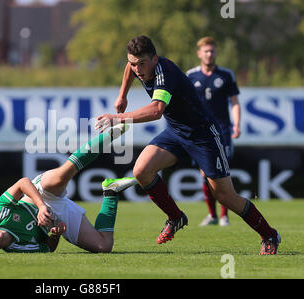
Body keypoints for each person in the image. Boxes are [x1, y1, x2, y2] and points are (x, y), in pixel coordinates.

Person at [95, 35, 280, 255]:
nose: (136, 69)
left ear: (154, 58)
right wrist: (122, 95)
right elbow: (128, 67)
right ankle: (176, 217)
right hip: (176, 132)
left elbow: (156, 110)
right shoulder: (137, 65)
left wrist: (118, 118)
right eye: (133, 63)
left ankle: (269, 235)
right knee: (142, 170)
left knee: (225, 196)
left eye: (141, 63)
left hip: (203, 135)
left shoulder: (166, 73)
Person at [0, 124, 138, 253]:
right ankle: (111, 191)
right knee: (104, 247)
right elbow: (48, 248)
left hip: (40, 195)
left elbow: (23, 183)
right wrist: (55, 234)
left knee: (60, 177)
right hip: (57, 216)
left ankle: (110, 135)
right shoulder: (17, 248)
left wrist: (41, 206)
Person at [186, 36, 241, 226]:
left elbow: (234, 102)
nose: (209, 54)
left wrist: (237, 124)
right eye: (206, 51)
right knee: (204, 173)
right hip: (200, 132)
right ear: (199, 53)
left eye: (212, 51)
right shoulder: (191, 76)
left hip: (223, 131)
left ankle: (224, 215)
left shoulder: (226, 75)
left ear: (216, 53)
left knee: (222, 173)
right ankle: (212, 215)